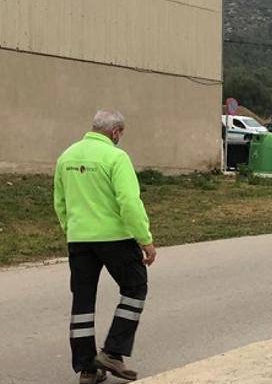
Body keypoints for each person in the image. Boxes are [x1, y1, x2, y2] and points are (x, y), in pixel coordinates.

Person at [53, 110, 157, 384]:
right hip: (115, 239)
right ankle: (113, 351)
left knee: (83, 302)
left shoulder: (67, 157)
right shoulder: (116, 157)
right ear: (115, 132)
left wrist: (72, 229)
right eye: (120, 134)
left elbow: (60, 202)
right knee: (135, 288)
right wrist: (144, 238)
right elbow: (129, 202)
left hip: (79, 240)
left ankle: (87, 368)